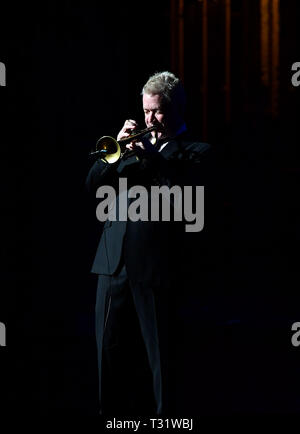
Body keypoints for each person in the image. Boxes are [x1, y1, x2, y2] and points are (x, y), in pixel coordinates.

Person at [86, 71, 212, 416]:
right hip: (112, 263)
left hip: (156, 268)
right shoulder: (128, 151)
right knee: (107, 355)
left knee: (161, 362)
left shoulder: (195, 152)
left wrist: (151, 156)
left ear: (176, 110)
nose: (149, 120)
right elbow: (92, 186)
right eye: (145, 112)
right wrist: (113, 151)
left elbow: (185, 201)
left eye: (157, 112)